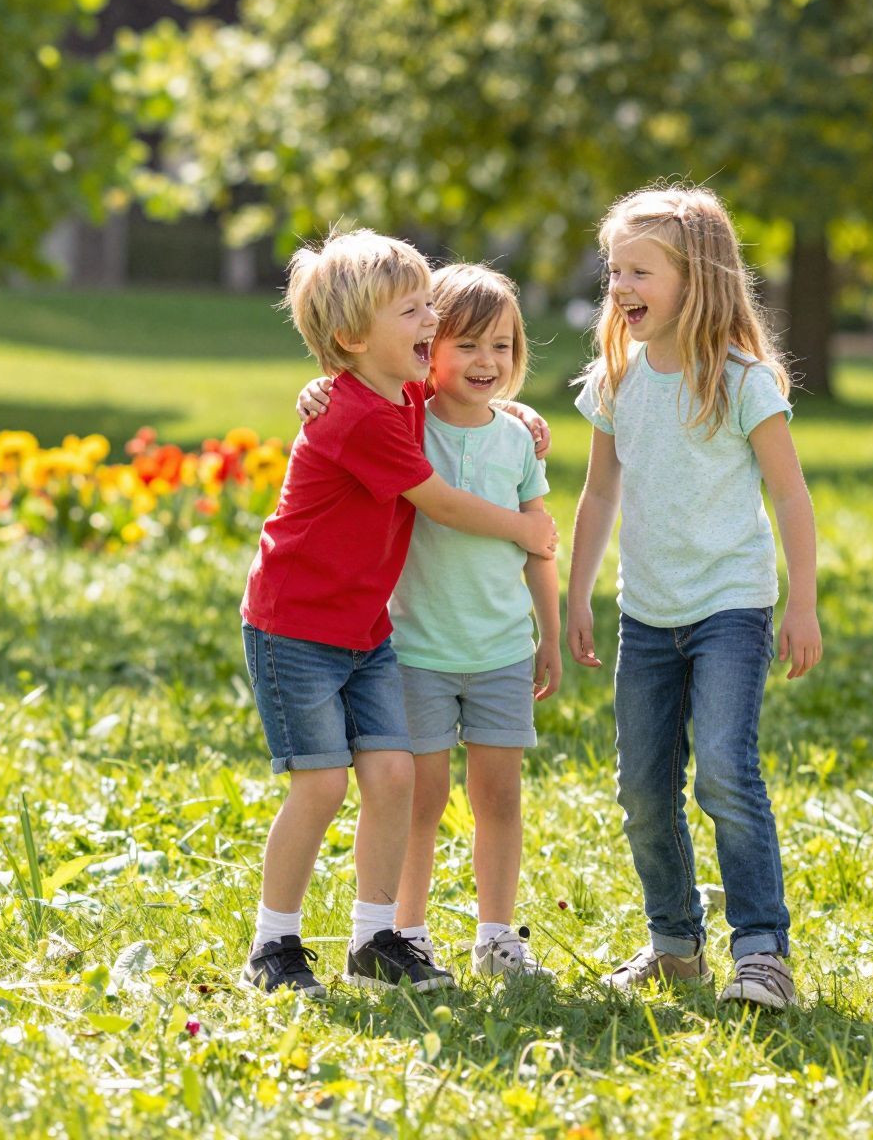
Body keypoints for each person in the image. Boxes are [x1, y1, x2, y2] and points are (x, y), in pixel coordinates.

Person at [239, 228, 557, 1000]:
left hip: (368, 633)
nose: (430, 323)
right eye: (415, 311)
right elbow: (440, 501)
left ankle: (376, 939)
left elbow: (460, 398)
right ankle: (273, 945)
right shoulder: (359, 417)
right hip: (296, 629)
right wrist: (522, 526)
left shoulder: (401, 394)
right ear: (353, 338)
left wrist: (518, 412)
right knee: (318, 786)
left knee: (391, 779)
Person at [564, 185, 822, 1012]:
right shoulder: (617, 380)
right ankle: (674, 946)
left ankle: (762, 951)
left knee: (724, 772)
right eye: (614, 272)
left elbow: (789, 496)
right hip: (646, 616)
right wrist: (576, 595)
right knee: (642, 788)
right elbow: (599, 495)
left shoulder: (741, 380)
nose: (621, 287)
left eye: (639, 270)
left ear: (697, 278)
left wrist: (802, 601)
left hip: (729, 611)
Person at [382, 264, 561, 981]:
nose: (488, 362)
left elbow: (539, 544)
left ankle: (496, 937)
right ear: (428, 346)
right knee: (419, 803)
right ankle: (407, 932)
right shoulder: (404, 424)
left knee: (499, 799)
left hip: (500, 651)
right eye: (468, 345)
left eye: (503, 347)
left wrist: (548, 633)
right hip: (416, 647)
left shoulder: (518, 441)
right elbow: (352, 395)